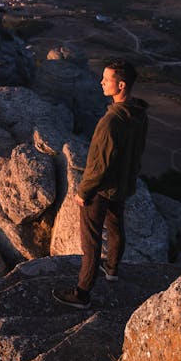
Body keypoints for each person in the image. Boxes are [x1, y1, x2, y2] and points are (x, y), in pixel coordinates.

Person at [53, 59, 148, 310]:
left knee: (91, 241)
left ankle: (82, 293)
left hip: (101, 189)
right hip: (122, 185)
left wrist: (84, 192)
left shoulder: (110, 123)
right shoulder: (138, 114)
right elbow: (137, 152)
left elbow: (98, 165)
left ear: (121, 84)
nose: (101, 82)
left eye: (107, 79)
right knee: (116, 228)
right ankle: (113, 268)